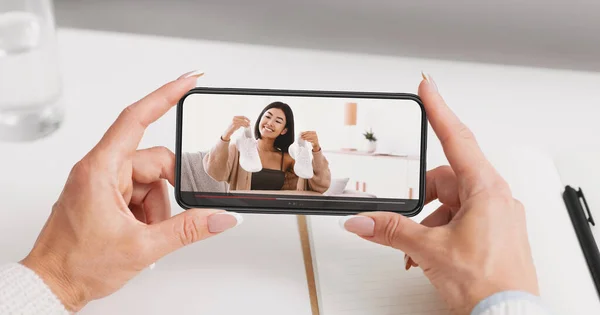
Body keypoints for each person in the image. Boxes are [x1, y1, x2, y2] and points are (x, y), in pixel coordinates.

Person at [0, 70, 550, 315]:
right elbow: (210, 173)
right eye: (268, 114)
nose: (271, 120)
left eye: (278, 117)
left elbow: (324, 188)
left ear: (284, 126)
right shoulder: (237, 145)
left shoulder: (299, 155)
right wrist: (57, 281)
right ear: (259, 119)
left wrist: (311, 155)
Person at [203, 101, 331, 193]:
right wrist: (227, 133)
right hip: (243, 210)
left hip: (276, 213)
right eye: (268, 117)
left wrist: (316, 148)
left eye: (278, 121)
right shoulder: (237, 149)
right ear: (260, 120)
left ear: (284, 131)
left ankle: (303, 148)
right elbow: (216, 173)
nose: (270, 123)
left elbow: (320, 186)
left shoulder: (287, 158)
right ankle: (247, 138)